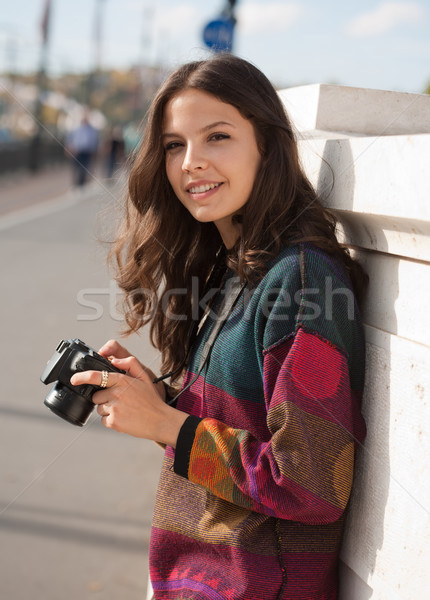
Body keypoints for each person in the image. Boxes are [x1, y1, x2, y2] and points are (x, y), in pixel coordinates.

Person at [71, 54, 367, 599]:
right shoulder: (236, 269)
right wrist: (159, 399)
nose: (191, 162)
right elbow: (245, 426)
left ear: (267, 147)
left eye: (218, 137)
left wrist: (166, 425)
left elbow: (311, 482)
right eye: (174, 145)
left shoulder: (301, 281)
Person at [66, 115, 99, 187]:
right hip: (78, 151)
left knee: (85, 167)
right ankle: (77, 183)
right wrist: (69, 148)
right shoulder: (76, 129)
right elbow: (71, 140)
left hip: (87, 152)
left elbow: (93, 142)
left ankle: (82, 183)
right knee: (76, 168)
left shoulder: (91, 131)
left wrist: (93, 151)